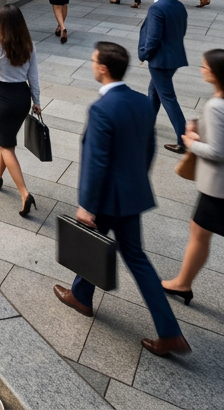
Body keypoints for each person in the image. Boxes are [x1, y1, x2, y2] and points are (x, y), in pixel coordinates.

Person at [54, 41, 190, 358]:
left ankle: (82, 297)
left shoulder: (102, 108)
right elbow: (149, 149)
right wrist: (135, 182)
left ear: (103, 68)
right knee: (137, 260)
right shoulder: (142, 102)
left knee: (93, 244)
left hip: (106, 199)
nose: (91, 64)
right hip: (132, 196)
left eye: (93, 60)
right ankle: (169, 331)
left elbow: (96, 161)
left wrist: (87, 205)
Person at [162, 49, 224, 303]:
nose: (201, 70)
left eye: (205, 67)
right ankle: (183, 283)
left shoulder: (216, 106)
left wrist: (190, 141)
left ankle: (182, 284)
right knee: (199, 230)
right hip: (216, 186)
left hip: (218, 187)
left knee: (199, 233)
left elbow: (217, 151)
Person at [0, 5, 41, 216]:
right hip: (22, 97)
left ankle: (25, 193)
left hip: (3, 97)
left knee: (6, 145)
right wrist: (37, 101)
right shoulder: (29, 46)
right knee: (6, 138)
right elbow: (34, 77)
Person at [139, 0, 190, 154]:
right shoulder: (178, 5)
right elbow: (181, 30)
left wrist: (144, 55)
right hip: (174, 57)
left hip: (161, 61)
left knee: (168, 98)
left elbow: (153, 38)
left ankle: (183, 139)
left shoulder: (156, 9)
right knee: (154, 91)